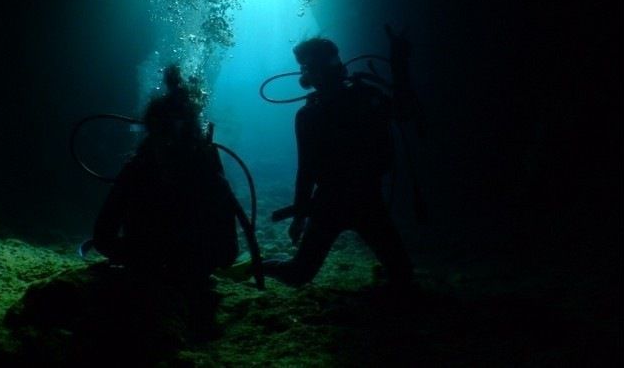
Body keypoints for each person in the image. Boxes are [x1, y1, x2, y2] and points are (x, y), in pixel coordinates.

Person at [264, 27, 416, 288]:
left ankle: (268, 263)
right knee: (298, 275)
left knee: (402, 275)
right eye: (315, 66)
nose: (323, 71)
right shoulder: (315, 113)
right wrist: (301, 216)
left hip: (362, 201)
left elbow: (404, 112)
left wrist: (400, 63)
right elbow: (307, 169)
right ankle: (264, 264)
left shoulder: (361, 98)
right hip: (334, 204)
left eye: (328, 63)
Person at [92, 65, 239, 288]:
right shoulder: (139, 169)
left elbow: (227, 252)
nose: (170, 146)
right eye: (164, 134)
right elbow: (104, 236)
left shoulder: (204, 169)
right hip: (152, 267)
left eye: (177, 136)